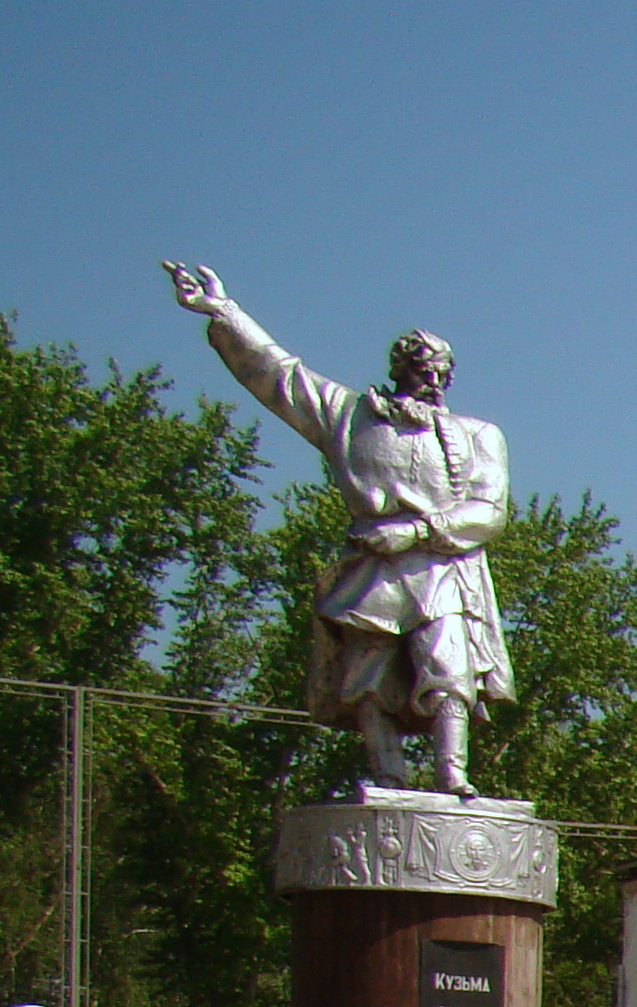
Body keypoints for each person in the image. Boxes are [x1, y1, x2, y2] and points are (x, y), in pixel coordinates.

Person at [168, 265, 513, 789]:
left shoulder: (479, 435)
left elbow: (489, 511)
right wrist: (223, 311)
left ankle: (452, 775)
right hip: (372, 567)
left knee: (448, 667)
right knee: (367, 677)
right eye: (424, 370)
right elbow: (278, 375)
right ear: (401, 369)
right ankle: (387, 776)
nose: (433, 382)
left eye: (442, 373)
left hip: (443, 568)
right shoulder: (349, 415)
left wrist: (419, 532)